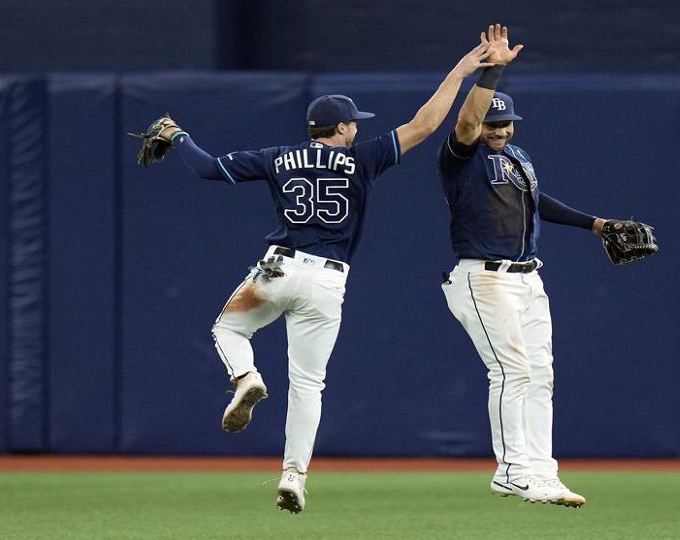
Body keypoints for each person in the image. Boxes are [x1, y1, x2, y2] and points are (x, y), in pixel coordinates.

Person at [141, 36, 495, 514]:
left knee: (228, 328)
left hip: (278, 267)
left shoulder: (276, 157)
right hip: (329, 280)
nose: (357, 129)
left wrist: (178, 135)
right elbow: (427, 123)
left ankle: (245, 376)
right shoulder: (361, 158)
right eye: (354, 123)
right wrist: (461, 70)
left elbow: (206, 169)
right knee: (309, 383)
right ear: (344, 127)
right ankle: (294, 476)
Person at [438, 24, 610, 508]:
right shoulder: (462, 159)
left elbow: (537, 202)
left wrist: (593, 224)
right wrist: (492, 72)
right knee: (511, 371)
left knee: (540, 374)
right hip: (483, 277)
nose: (501, 131)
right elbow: (467, 124)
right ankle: (512, 471)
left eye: (507, 123)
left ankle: (540, 470)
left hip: (528, 278)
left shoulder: (516, 155)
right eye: (494, 125)